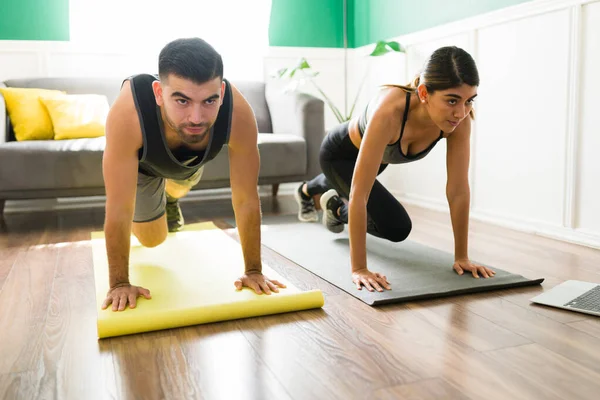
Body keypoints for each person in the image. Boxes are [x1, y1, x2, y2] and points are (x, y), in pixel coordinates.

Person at [101, 37, 285, 312]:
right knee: (153, 240)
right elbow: (118, 207)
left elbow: (246, 197)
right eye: (182, 101)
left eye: (209, 100)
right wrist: (119, 284)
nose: (197, 117)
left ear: (221, 92)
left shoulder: (238, 114)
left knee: (182, 175)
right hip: (145, 169)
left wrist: (254, 270)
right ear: (159, 93)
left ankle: (172, 196)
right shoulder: (129, 113)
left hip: (188, 165)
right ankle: (165, 197)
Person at [294, 46, 496, 293]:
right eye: (452, 100)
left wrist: (461, 256)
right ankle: (335, 205)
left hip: (376, 158)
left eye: (469, 101)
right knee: (396, 227)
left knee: (347, 180)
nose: (461, 112)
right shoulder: (389, 112)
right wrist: (359, 269)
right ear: (423, 93)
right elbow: (359, 194)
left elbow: (458, 190)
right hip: (339, 155)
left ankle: (317, 194)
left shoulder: (459, 120)